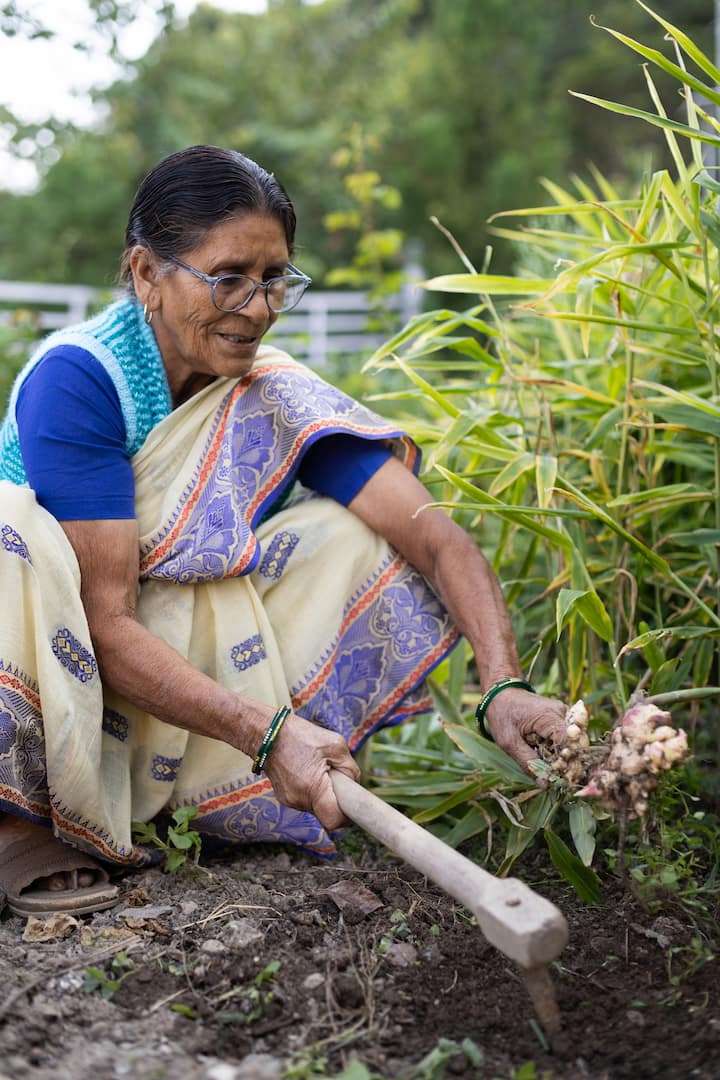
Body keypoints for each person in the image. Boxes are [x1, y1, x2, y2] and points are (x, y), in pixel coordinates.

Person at [0, 145, 567, 917]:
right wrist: (266, 733)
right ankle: (25, 812)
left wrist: (505, 685)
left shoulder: (268, 393)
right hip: (64, 663)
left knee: (354, 533)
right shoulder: (81, 381)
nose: (259, 306)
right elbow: (102, 622)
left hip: (171, 680)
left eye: (273, 280)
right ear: (144, 274)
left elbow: (437, 539)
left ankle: (204, 795)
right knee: (14, 532)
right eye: (227, 277)